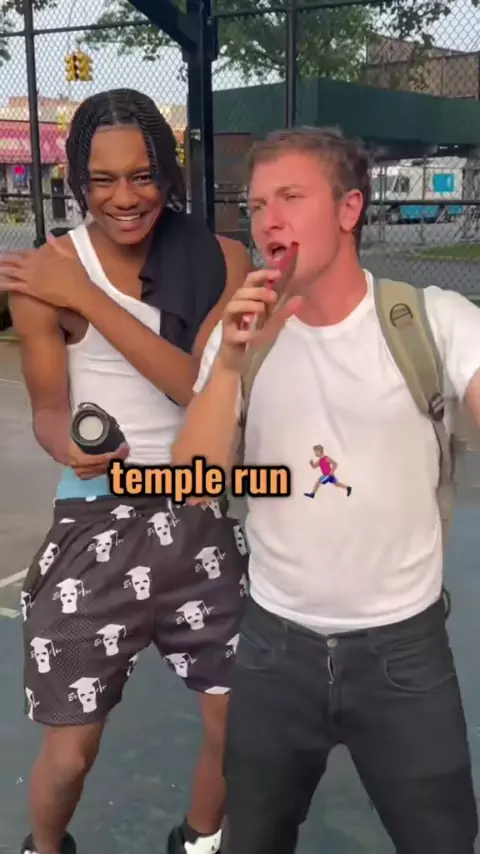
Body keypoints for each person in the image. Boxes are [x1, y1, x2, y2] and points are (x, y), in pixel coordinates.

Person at [172, 126, 480, 853]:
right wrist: (227, 366)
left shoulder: (431, 320)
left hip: (404, 651)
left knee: (442, 841)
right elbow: (193, 485)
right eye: (256, 205)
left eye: (290, 197)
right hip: (275, 649)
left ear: (348, 209)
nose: (267, 221)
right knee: (255, 838)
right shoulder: (242, 340)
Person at [0, 89, 250, 854]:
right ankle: (46, 849)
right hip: (96, 521)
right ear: (77, 181)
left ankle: (198, 840)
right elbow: (49, 410)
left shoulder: (222, 260)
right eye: (102, 180)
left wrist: (90, 300)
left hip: (200, 516)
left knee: (238, 718)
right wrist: (65, 445)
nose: (124, 198)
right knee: (71, 749)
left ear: (167, 174)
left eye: (142, 176)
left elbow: (200, 389)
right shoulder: (46, 273)